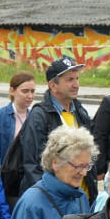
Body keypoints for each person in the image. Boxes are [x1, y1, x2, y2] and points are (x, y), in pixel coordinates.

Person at [13, 57, 96, 202]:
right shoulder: (40, 116)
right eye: (70, 79)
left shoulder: (80, 113)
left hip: (80, 200)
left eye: (77, 78)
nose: (76, 84)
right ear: (53, 85)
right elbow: (32, 165)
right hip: (54, 201)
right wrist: (50, 201)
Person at [0, 72, 35, 168]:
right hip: (7, 173)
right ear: (12, 91)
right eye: (25, 91)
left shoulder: (35, 117)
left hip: (27, 175)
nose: (30, 96)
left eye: (32, 91)